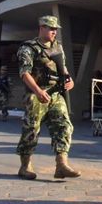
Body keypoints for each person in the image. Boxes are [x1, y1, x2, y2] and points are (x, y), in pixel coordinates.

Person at [15, 15, 81, 180]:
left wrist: (69, 79)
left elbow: (62, 68)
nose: (54, 32)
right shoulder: (29, 48)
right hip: (37, 94)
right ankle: (25, 166)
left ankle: (61, 165)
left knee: (64, 126)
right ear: (41, 28)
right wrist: (37, 91)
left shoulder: (58, 47)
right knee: (31, 130)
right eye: (51, 28)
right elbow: (24, 73)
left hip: (56, 93)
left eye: (55, 29)